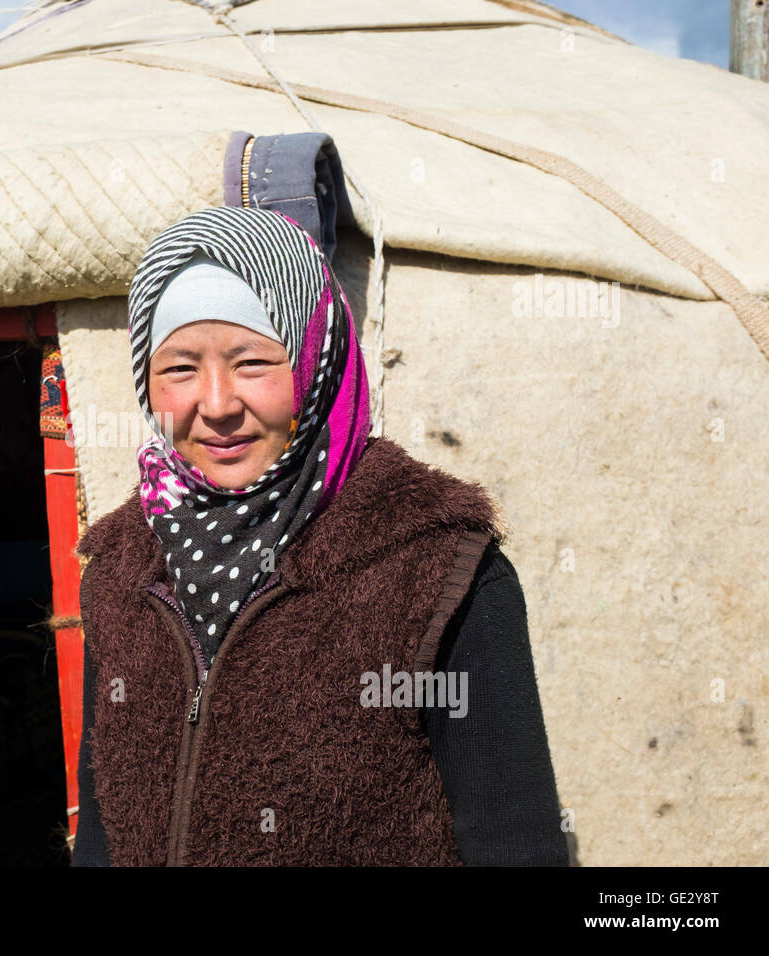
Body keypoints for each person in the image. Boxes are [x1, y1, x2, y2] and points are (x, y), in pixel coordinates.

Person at [70, 205, 568, 866]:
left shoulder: (437, 565)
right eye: (180, 369)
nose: (216, 404)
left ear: (316, 359)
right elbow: (103, 832)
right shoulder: (120, 572)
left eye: (252, 362)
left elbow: (514, 843)